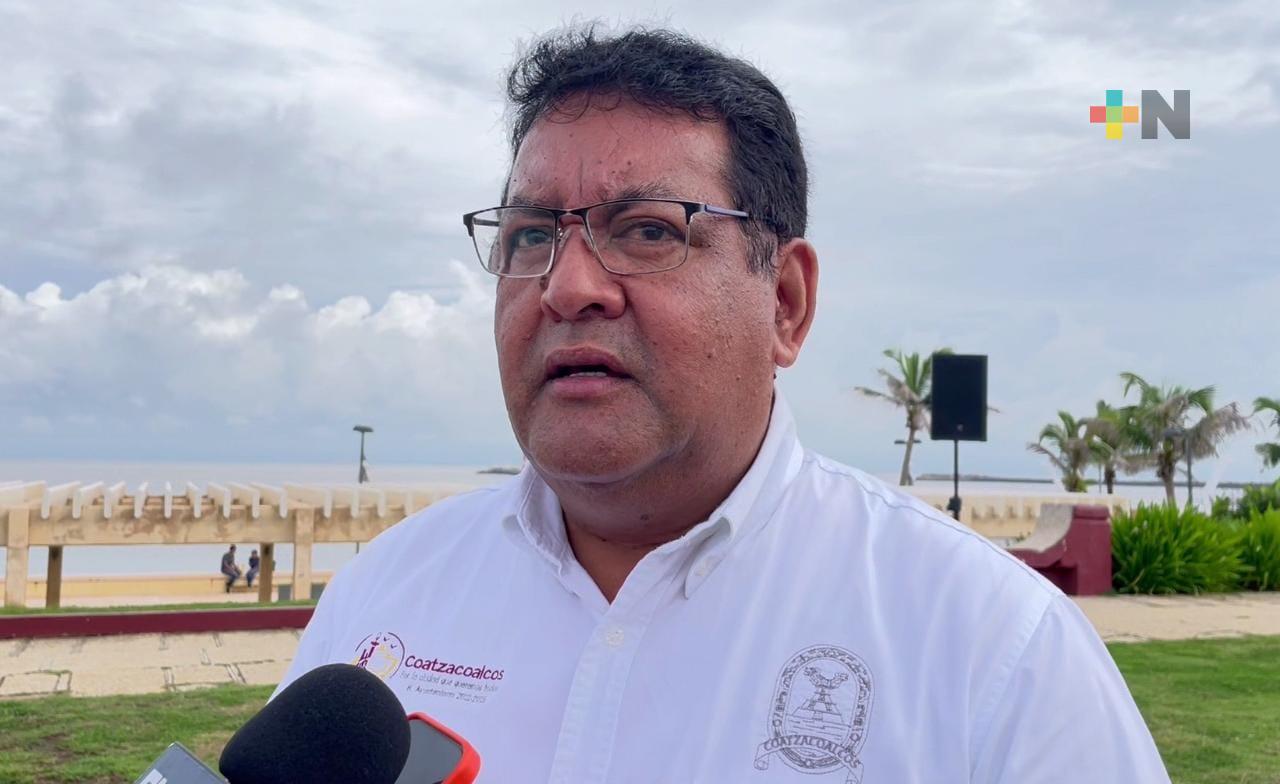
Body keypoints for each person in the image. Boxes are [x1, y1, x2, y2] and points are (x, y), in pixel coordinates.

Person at [277, 27, 1170, 782]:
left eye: (648, 230)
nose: (568, 286)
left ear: (785, 302)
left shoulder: (993, 650)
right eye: (531, 236)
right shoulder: (383, 598)